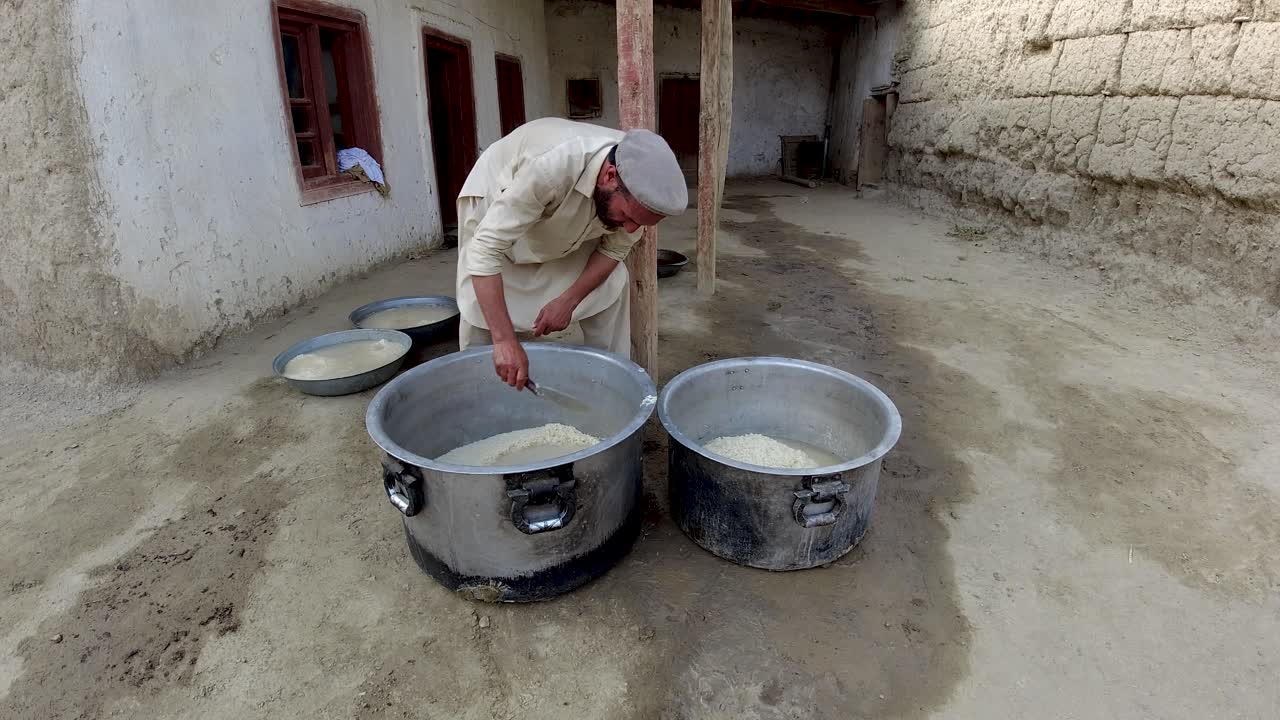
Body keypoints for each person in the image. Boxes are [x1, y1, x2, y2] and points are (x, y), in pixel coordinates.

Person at [454, 117, 687, 390]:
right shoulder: (551, 167)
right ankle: (477, 389)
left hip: (561, 206)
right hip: (498, 196)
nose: (632, 228)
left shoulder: (635, 191)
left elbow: (615, 249)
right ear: (610, 177)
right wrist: (505, 340)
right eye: (627, 216)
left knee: (613, 284)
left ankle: (609, 384)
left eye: (641, 224)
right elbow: (485, 252)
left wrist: (569, 300)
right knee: (482, 313)